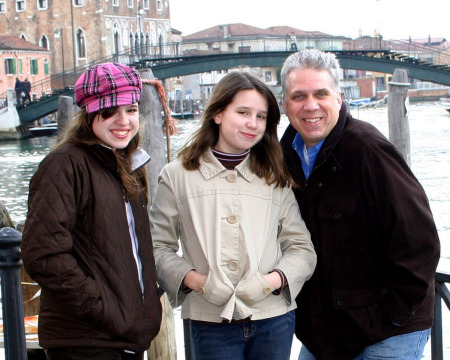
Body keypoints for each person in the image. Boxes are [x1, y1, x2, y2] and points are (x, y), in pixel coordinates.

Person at [279, 49, 441, 360]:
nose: (310, 105)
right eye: (299, 96)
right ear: (285, 104)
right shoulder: (284, 156)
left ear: (338, 98)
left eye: (321, 94)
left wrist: (390, 316)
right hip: (326, 329)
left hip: (389, 329)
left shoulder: (369, 150)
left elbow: (420, 241)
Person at [150, 71, 317, 360]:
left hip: (274, 320)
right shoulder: (176, 176)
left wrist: (270, 282)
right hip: (210, 320)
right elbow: (156, 247)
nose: (253, 124)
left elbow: (302, 249)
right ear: (217, 113)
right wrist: (197, 282)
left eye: (261, 116)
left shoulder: (275, 176)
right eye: (243, 112)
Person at [22, 62, 162, 360]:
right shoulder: (64, 164)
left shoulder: (126, 163)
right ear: (89, 115)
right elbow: (43, 254)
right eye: (110, 111)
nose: (123, 120)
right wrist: (102, 307)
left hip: (124, 336)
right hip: (86, 340)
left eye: (131, 109)